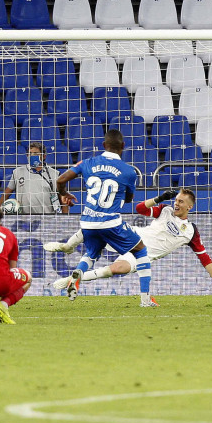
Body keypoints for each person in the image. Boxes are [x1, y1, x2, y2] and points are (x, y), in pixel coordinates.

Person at [45, 189, 212, 296]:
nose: (176, 204)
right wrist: (159, 198)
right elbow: (140, 208)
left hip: (143, 254)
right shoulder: (164, 210)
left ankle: (74, 280)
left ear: (189, 207)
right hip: (133, 236)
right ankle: (67, 246)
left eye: (181, 202)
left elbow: (205, 259)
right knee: (100, 224)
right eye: (176, 200)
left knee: (117, 269)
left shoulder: (191, 232)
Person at [54, 129, 158, 307]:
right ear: (123, 146)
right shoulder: (129, 171)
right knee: (140, 251)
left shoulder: (87, 162)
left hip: (87, 221)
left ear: (103, 145)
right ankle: (145, 300)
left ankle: (78, 273)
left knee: (92, 253)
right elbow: (129, 199)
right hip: (110, 222)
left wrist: (64, 194)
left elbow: (60, 179)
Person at [0, 142, 67, 214]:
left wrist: (65, 220)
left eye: (36, 153)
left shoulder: (55, 174)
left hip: (47, 219)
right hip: (24, 219)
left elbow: (64, 200)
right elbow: (5, 195)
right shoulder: (18, 172)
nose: (32, 156)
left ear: (44, 156)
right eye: (30, 153)